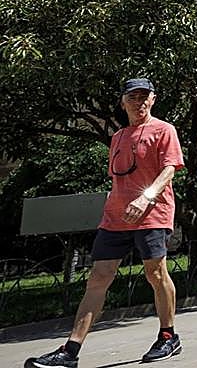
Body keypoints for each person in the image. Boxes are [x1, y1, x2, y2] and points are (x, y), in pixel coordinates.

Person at [29, 78, 186, 368]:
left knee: (155, 273)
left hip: (152, 213)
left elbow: (169, 170)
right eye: (133, 97)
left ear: (153, 99)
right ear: (123, 102)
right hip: (115, 218)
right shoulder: (118, 137)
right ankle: (70, 351)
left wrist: (146, 198)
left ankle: (168, 336)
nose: (139, 103)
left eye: (144, 97)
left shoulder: (164, 130)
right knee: (99, 277)